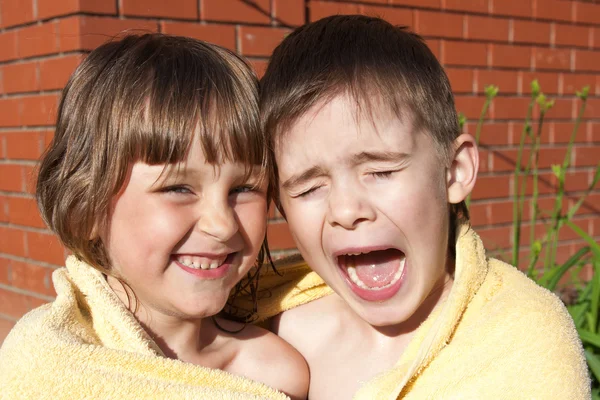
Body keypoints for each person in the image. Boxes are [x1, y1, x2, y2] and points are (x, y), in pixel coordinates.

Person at [257, 15, 590, 399]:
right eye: (309, 187)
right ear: (279, 204)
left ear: (454, 172)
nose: (346, 210)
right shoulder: (273, 334)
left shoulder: (521, 341)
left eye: (380, 171)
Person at [0, 33, 307, 400]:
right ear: (87, 208)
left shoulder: (277, 374)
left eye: (243, 188)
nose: (222, 224)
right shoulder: (43, 367)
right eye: (178, 188)